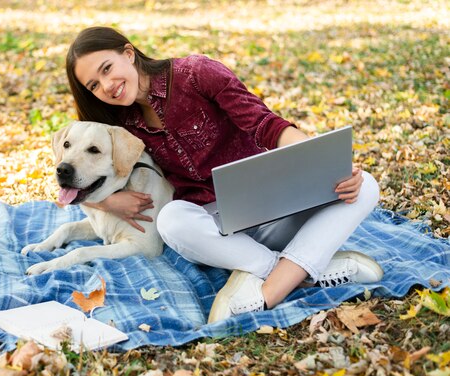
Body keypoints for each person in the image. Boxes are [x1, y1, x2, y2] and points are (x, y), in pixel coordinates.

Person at [64, 26, 383, 323]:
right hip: (211, 229)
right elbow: (73, 180)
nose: (106, 85)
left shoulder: (196, 74)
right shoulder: (118, 127)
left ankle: (270, 290)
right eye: (93, 84)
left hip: (271, 207)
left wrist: (322, 162)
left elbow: (265, 125)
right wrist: (108, 204)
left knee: (365, 186)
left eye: (107, 68)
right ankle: (300, 270)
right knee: (170, 220)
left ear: (129, 54)